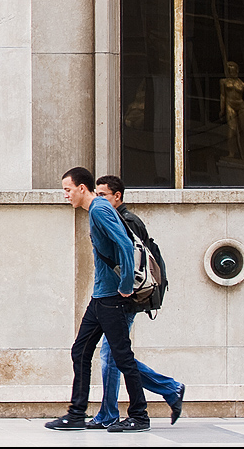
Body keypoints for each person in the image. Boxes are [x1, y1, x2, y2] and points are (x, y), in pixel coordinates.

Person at [46, 167, 150, 433]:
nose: (65, 195)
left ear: (82, 188)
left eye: (68, 190)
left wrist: (126, 285)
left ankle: (139, 415)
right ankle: (77, 414)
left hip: (112, 298)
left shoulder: (99, 209)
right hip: (100, 297)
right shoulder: (98, 209)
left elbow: (125, 245)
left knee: (123, 357)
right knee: (80, 351)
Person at [87, 174, 185, 429]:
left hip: (124, 300)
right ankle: (168, 389)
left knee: (114, 357)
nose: (98, 200)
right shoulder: (112, 218)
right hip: (115, 298)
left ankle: (115, 411)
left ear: (117, 196)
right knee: (115, 356)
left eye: (103, 195)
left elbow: (133, 259)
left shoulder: (128, 221)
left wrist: (124, 288)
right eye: (96, 194)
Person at [219, 61, 244, 161]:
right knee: (232, 130)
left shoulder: (243, 85)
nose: (232, 71)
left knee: (243, 131)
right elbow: (223, 95)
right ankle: (231, 153)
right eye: (230, 69)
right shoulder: (224, 82)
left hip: (241, 106)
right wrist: (222, 109)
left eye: (233, 68)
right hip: (230, 105)